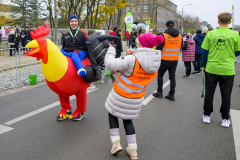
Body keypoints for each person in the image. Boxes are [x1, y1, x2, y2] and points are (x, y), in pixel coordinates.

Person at [105, 32, 164, 160]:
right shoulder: (155, 64)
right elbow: (138, 72)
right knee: (128, 120)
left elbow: (110, 64)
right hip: (136, 98)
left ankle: (116, 143)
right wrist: (130, 56)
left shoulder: (132, 60)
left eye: (137, 44)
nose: (135, 46)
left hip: (120, 95)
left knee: (112, 114)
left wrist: (111, 49)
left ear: (141, 46)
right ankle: (133, 150)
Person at [201, 12, 240, 128]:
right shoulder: (235, 34)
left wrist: (203, 66)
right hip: (227, 70)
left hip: (212, 68)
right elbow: (238, 52)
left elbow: (205, 52)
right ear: (229, 22)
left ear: (218, 21)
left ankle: (207, 115)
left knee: (209, 93)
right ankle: (224, 119)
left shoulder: (210, 34)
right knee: (226, 95)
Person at [60, 14, 99, 117]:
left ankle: (81, 110)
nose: (74, 23)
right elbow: (63, 47)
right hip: (68, 55)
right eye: (72, 21)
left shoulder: (83, 34)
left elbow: (89, 49)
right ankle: (66, 108)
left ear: (78, 22)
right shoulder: (65, 34)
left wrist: (94, 65)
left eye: (75, 21)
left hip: (80, 54)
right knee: (62, 52)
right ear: (69, 23)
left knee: (74, 54)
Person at [153, 20, 182, 101]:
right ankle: (171, 94)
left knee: (160, 75)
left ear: (166, 26)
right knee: (172, 77)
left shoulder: (163, 36)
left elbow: (158, 49)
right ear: (174, 26)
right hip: (175, 60)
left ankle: (159, 92)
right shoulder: (179, 36)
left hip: (164, 60)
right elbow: (181, 47)